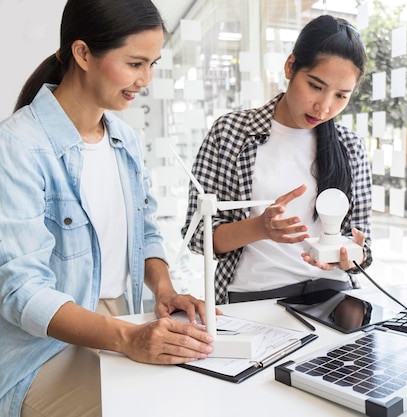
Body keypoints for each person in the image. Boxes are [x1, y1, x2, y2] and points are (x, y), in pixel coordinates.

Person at [0, 1, 216, 416]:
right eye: (135, 63)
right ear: (82, 54)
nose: (146, 79)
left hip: (122, 320)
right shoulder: (18, 146)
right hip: (43, 349)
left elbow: (145, 231)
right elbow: (22, 291)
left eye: (152, 63)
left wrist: (166, 292)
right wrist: (127, 339)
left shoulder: (124, 139)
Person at [183, 15, 373, 305]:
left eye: (341, 95)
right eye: (315, 86)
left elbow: (363, 244)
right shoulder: (230, 133)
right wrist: (260, 228)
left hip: (335, 297)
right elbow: (197, 234)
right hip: (253, 297)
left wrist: (350, 257)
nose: (324, 106)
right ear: (290, 67)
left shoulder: (349, 146)